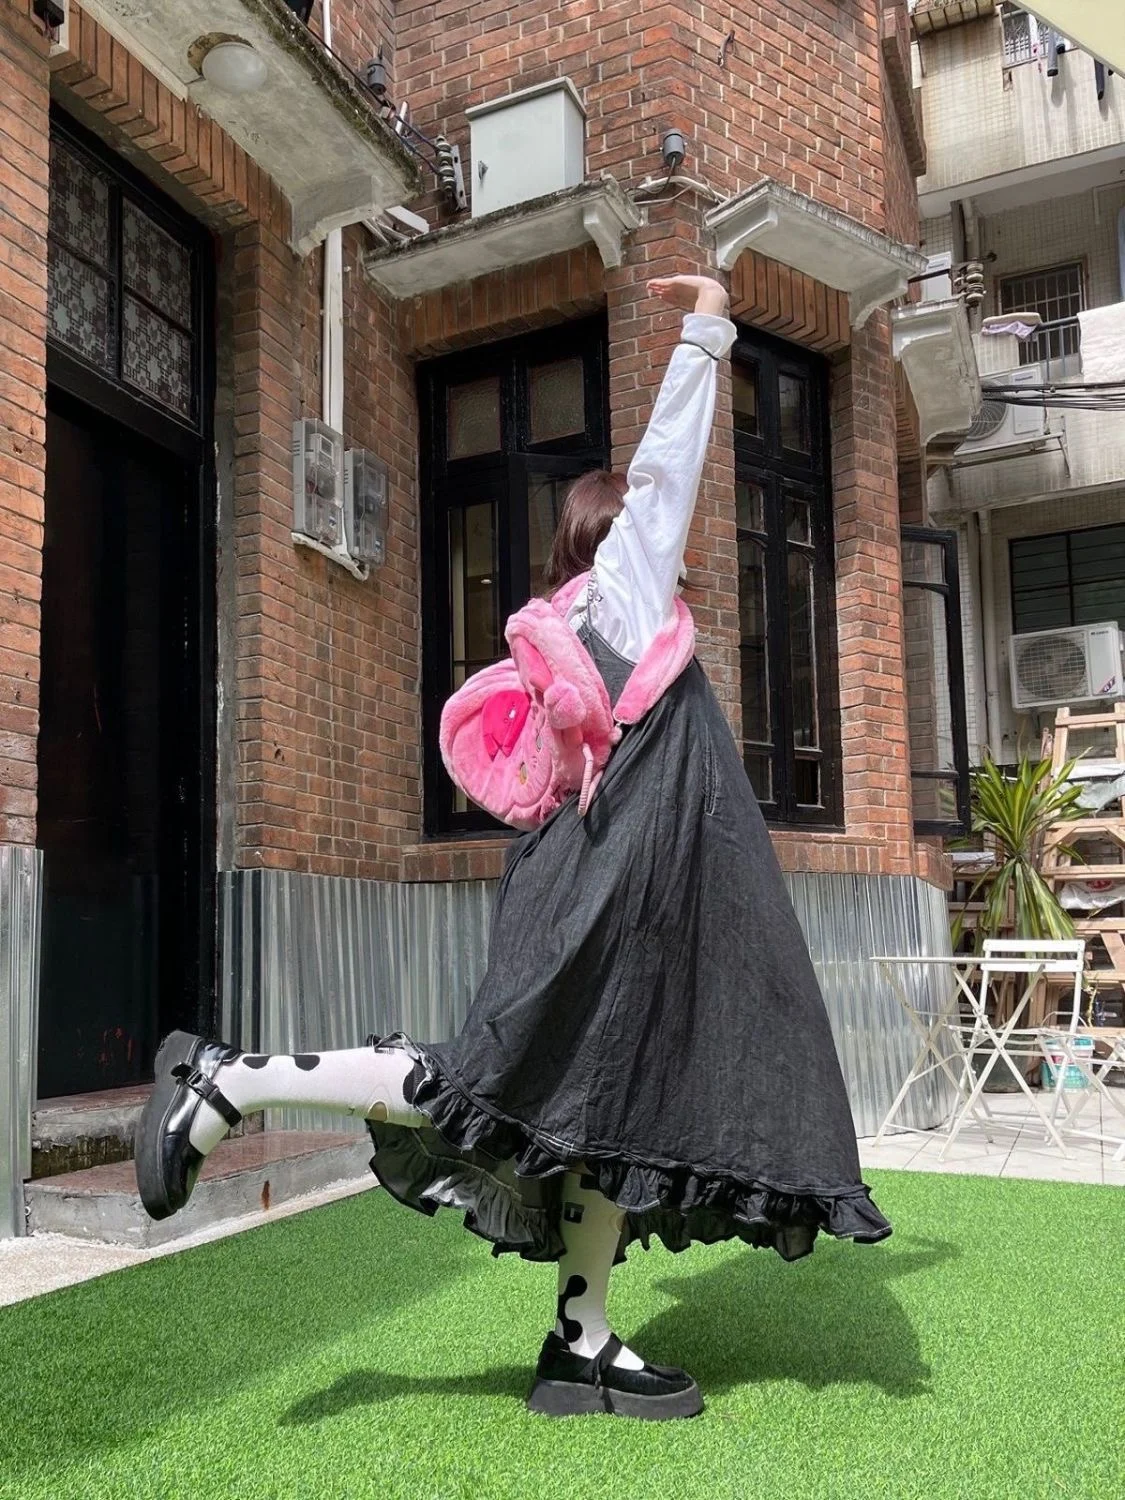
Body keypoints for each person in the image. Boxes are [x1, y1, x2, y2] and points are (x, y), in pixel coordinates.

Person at [136, 273, 890, 1421]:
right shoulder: (624, 602)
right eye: (656, 540)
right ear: (617, 544)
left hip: (606, 918)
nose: (678, 553)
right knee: (480, 1088)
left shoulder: (597, 636)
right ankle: (227, 1079)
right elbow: (667, 472)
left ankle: (582, 1342)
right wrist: (707, 330)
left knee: (598, 1115)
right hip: (595, 917)